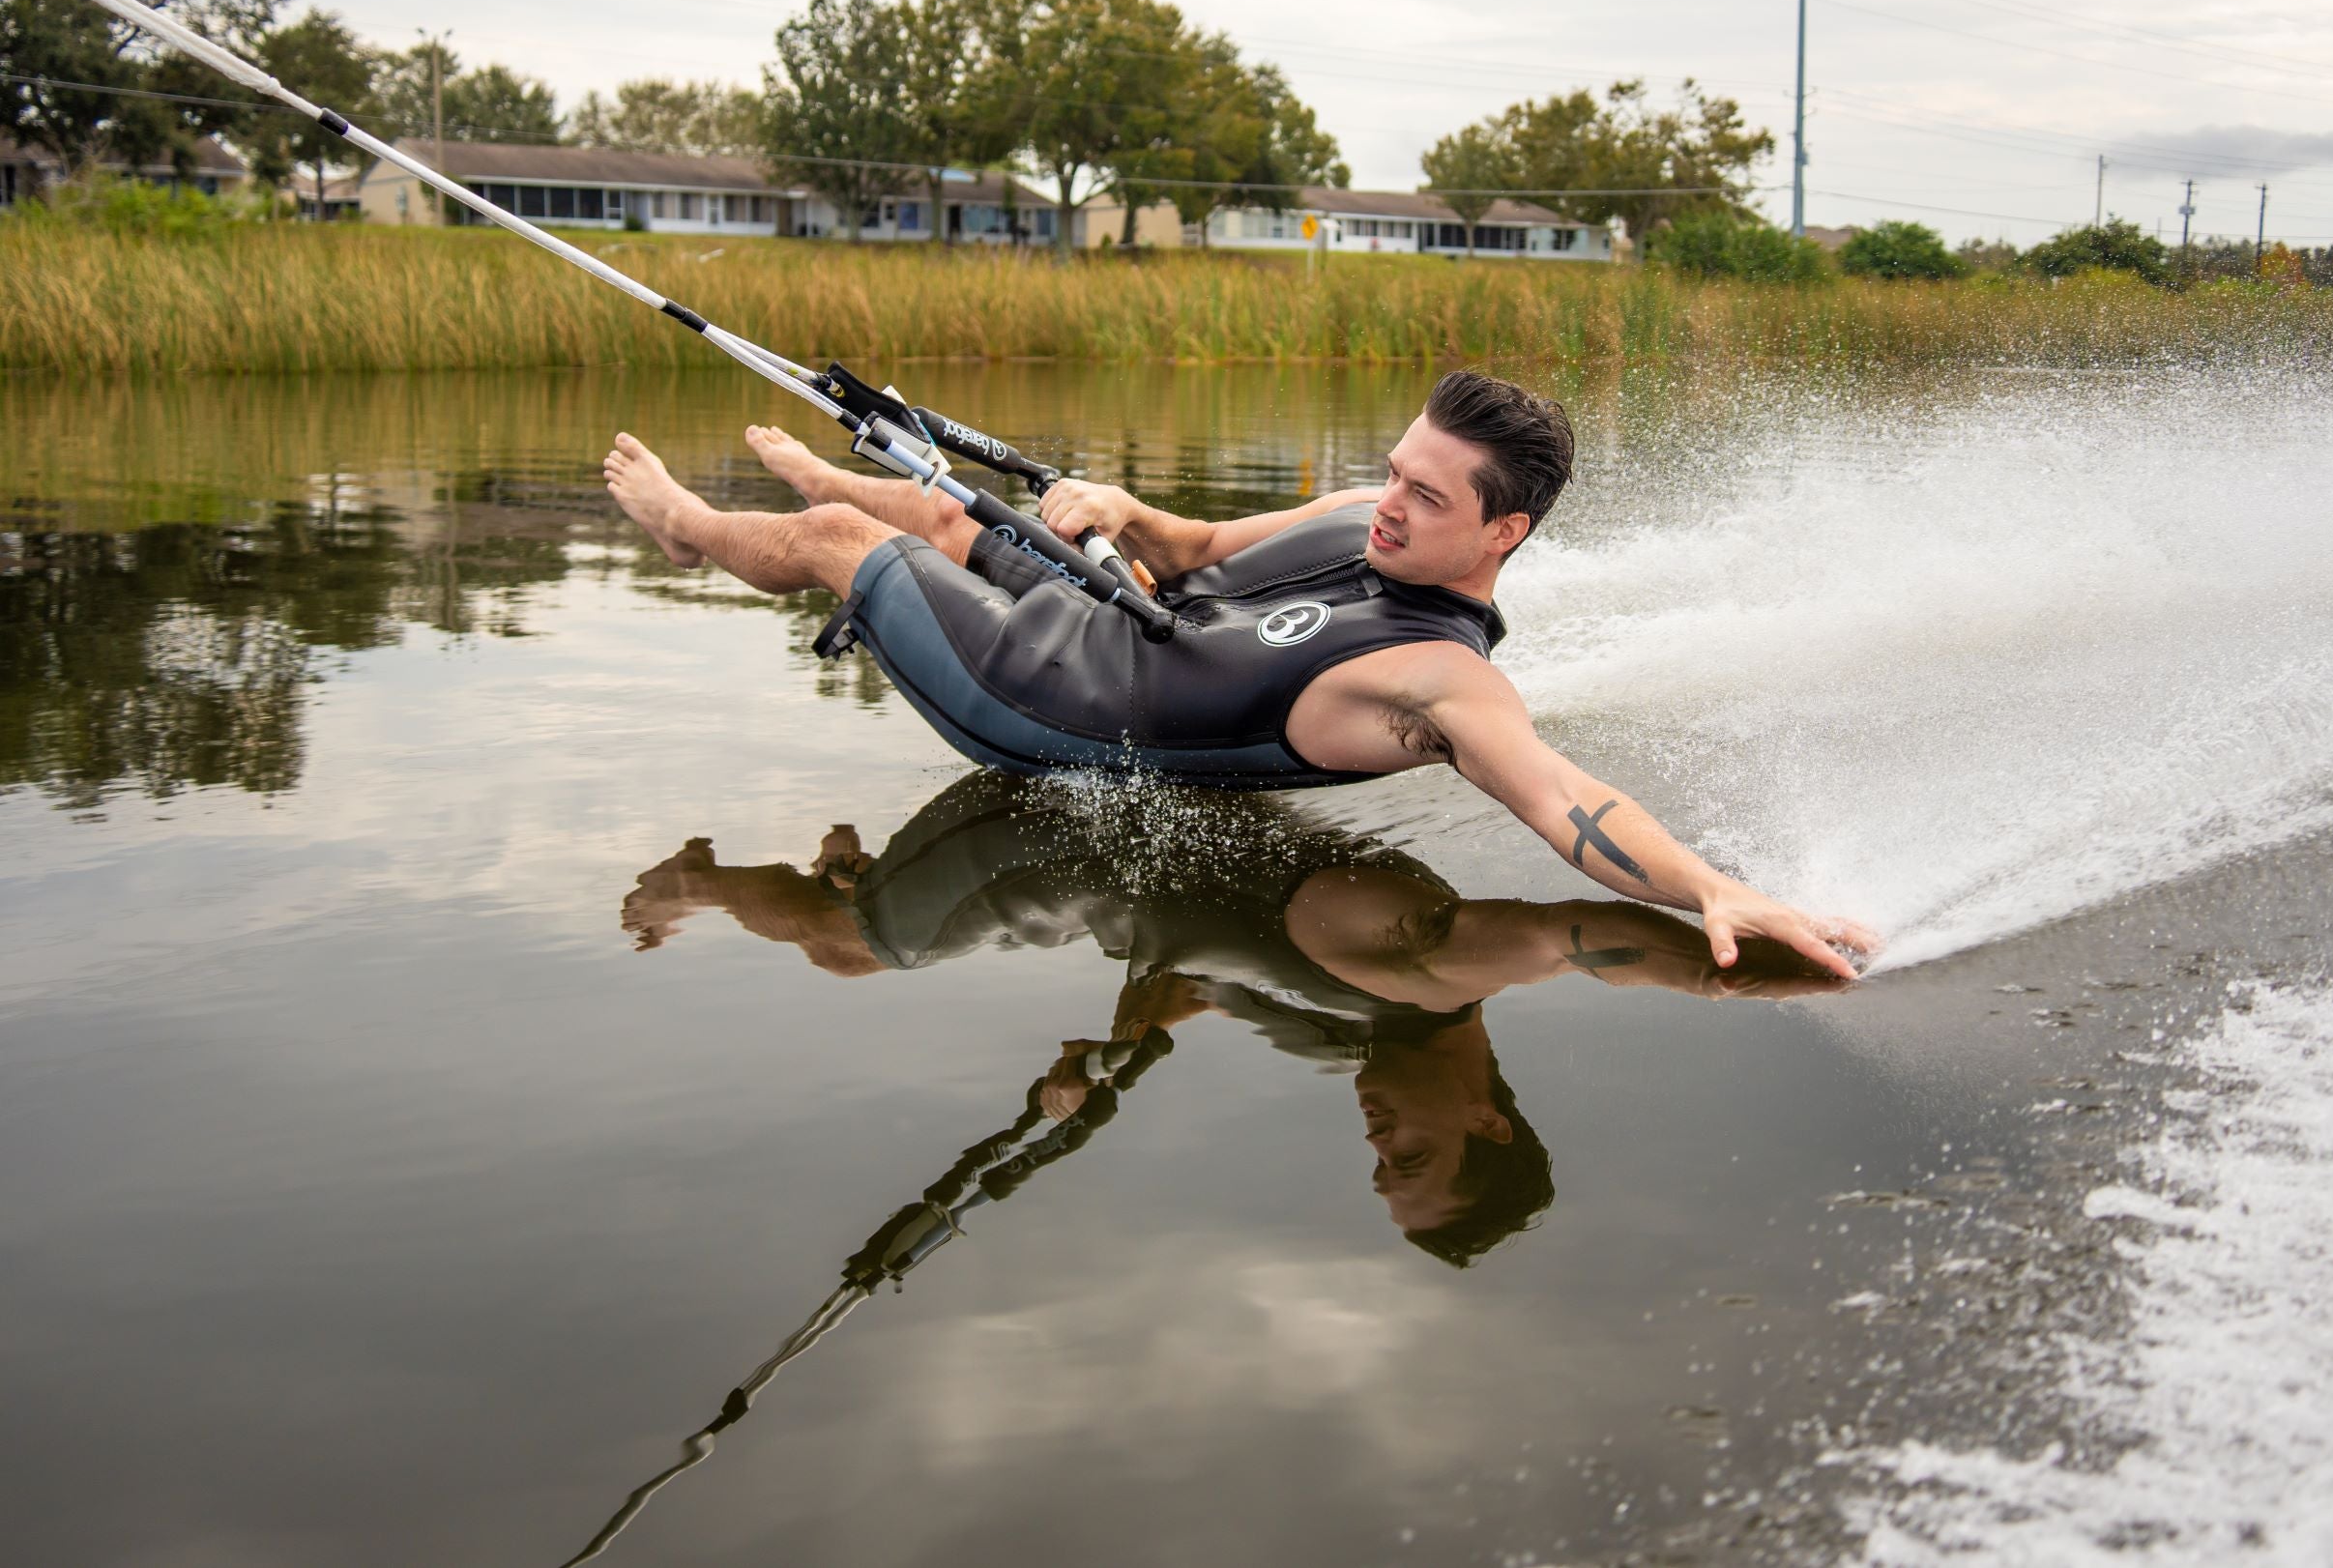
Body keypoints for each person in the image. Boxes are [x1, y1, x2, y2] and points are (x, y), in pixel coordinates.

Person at [602, 369, 1878, 977]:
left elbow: (1566, 804)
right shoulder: (1356, 509)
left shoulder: (1442, 681)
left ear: (1503, 534)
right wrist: (1120, 504)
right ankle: (828, 483)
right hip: (1118, 613)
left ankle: (694, 550)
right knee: (953, 516)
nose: (1388, 508)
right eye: (1395, 473)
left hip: (1058, 710)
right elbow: (1197, 548)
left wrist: (1716, 887)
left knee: (855, 925)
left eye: (1426, 500)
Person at [619, 773, 1846, 1266]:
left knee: (883, 925)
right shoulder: (1427, 965)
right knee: (852, 951)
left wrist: (1112, 1056)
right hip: (1044, 837)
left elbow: (1191, 983)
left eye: (1379, 1165)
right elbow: (1582, 938)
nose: (1376, 1135)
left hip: (1067, 870)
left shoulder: (1343, 1037)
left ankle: (857, 867)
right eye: (1409, 1153)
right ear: (1486, 1114)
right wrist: (1744, 955)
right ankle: (704, 880)